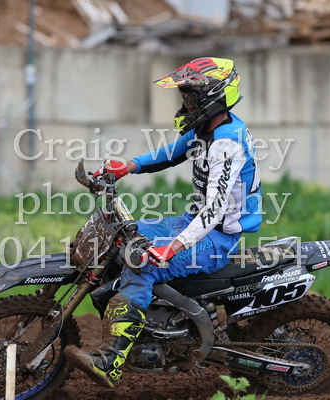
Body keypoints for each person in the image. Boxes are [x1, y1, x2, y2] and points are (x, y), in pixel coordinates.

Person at [64, 57, 262, 388]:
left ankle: (111, 361)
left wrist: (173, 248)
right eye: (185, 97)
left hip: (216, 237)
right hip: (193, 222)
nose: (185, 104)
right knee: (120, 238)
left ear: (213, 97)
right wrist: (128, 166)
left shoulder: (226, 142)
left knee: (142, 262)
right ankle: (144, 319)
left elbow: (214, 209)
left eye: (191, 97)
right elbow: (170, 154)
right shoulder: (207, 128)